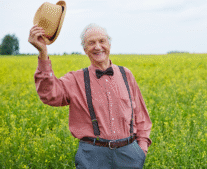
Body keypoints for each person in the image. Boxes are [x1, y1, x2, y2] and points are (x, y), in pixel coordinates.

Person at [28, 23, 152, 169]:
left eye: (102, 41)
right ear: (85, 49)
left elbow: (141, 115)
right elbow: (49, 94)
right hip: (93, 156)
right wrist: (43, 52)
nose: (98, 47)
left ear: (109, 44)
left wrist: (141, 149)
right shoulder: (75, 79)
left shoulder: (126, 74)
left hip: (129, 154)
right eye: (91, 43)